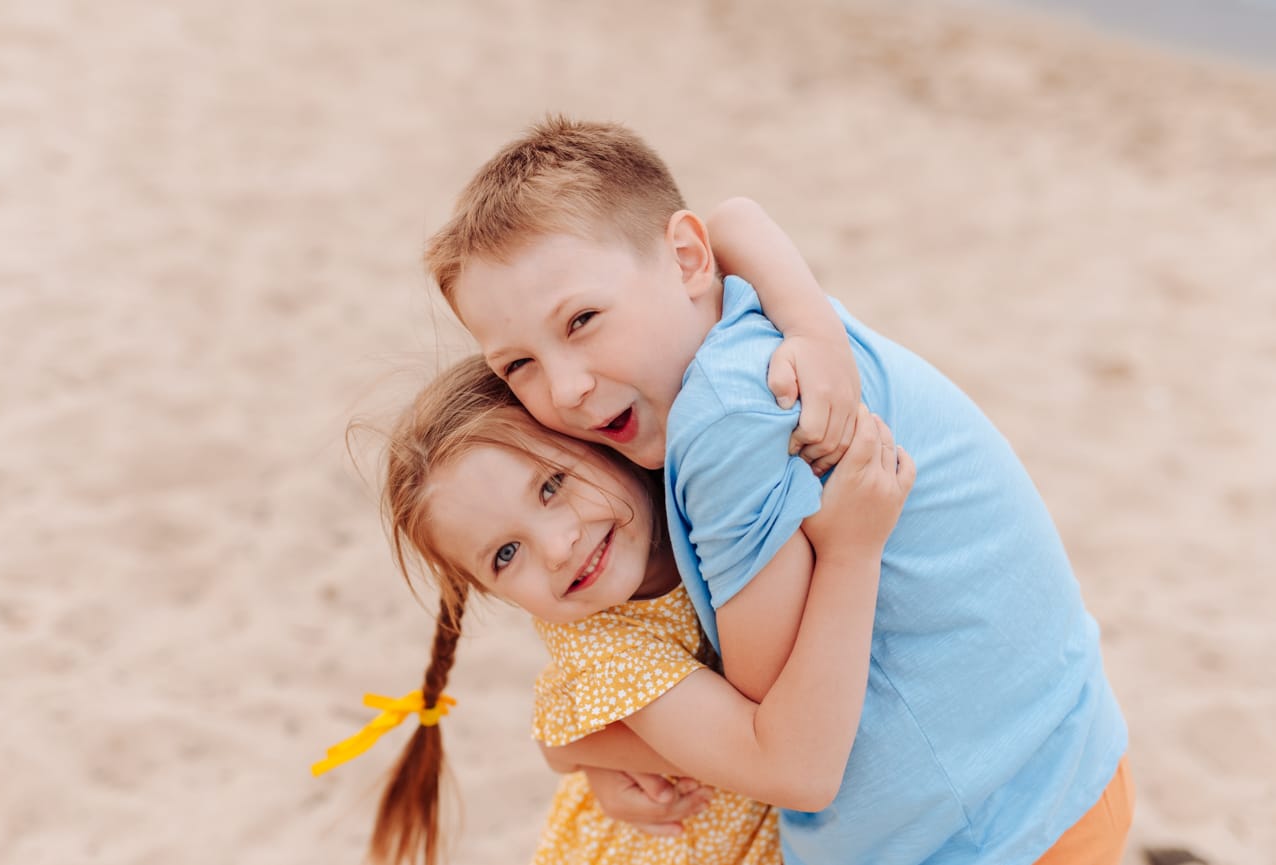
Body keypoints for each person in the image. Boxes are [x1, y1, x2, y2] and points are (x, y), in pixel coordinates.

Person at [422, 116, 1134, 865]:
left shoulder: (722, 417)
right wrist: (575, 747)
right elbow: (734, 219)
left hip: (982, 828)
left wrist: (582, 739)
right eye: (518, 365)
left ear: (688, 259)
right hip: (1053, 759)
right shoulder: (748, 325)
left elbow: (766, 714)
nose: (565, 387)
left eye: (583, 319)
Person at [313, 354, 913, 865]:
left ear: (598, 436)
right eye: (505, 554)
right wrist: (850, 554)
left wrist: (576, 750)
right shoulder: (603, 647)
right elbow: (783, 766)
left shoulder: (704, 488)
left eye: (551, 486)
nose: (556, 548)